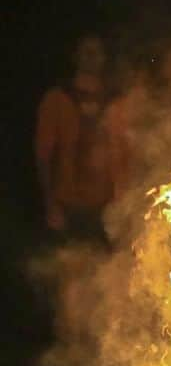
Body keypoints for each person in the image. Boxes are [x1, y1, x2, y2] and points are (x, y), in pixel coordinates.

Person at [34, 35, 118, 243]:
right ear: (75, 57)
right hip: (68, 205)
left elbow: (126, 153)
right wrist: (51, 205)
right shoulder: (56, 99)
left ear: (104, 58)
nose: (91, 56)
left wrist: (125, 201)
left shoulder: (116, 100)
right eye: (86, 51)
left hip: (108, 207)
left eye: (96, 51)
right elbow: (43, 155)